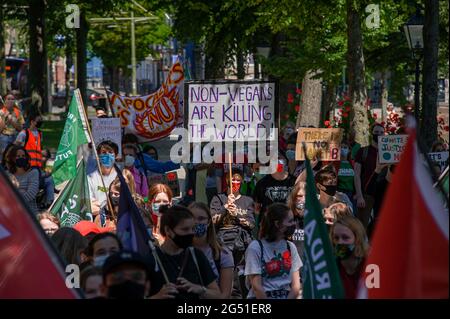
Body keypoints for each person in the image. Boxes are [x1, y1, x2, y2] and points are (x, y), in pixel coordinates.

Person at [149, 205, 221, 300]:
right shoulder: (152, 259)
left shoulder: (196, 255)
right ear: (168, 230)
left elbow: (217, 295)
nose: (191, 233)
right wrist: (157, 297)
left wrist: (200, 289)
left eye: (192, 229)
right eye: (185, 229)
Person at [244, 203, 302, 299]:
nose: (294, 224)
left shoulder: (290, 247)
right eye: (290, 221)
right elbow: (257, 287)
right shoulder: (256, 247)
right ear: (277, 224)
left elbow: (296, 286)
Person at [188, 202, 234, 299]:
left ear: (209, 222)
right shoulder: (181, 251)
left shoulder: (223, 254)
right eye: (192, 218)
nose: (196, 222)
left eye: (201, 219)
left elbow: (225, 295)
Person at [354, 123, 385, 230]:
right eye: (376, 132)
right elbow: (356, 174)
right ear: (372, 133)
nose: (379, 135)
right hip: (366, 195)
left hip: (383, 195)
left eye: (381, 133)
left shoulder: (388, 153)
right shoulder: (363, 151)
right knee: (362, 226)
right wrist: (359, 195)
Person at [254, 152, 296, 229]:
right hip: (269, 226)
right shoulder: (262, 183)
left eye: (280, 158)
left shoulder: (294, 182)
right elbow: (257, 208)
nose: (277, 161)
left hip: (288, 225)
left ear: (286, 161)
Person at [330, 215, 369, 299]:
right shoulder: (331, 268)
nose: (340, 242)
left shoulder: (371, 267)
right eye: (336, 238)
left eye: (345, 237)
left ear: (357, 240)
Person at [5, 146, 40, 214]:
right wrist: (22, 191)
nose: (21, 158)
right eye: (18, 156)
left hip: (30, 213)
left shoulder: (33, 172)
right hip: (11, 212)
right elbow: (6, 195)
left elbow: (31, 194)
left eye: (23, 156)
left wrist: (15, 196)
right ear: (13, 158)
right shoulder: (7, 174)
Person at [88, 140, 119, 212]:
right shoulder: (90, 176)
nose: (107, 155)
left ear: (116, 156)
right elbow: (90, 200)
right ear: (98, 156)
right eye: (104, 153)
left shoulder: (120, 176)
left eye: (111, 152)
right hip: (97, 214)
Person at [287, 181, 306, 258]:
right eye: (300, 196)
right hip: (291, 263)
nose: (304, 200)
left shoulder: (315, 218)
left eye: (306, 196)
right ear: (294, 198)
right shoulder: (287, 218)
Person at [336, 141, 355, 211]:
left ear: (349, 150)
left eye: (345, 147)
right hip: (338, 193)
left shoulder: (353, 163)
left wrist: (357, 194)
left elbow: (356, 179)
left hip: (350, 194)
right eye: (341, 147)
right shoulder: (335, 163)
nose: (343, 149)